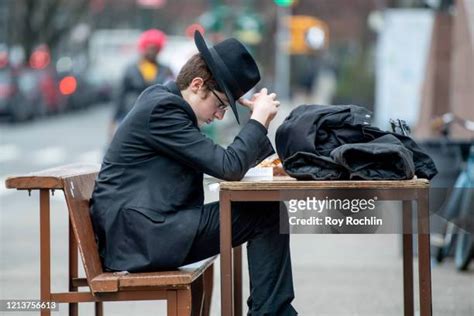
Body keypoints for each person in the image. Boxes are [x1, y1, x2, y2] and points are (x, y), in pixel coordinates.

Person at [90, 31, 297, 315]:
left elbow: (226, 162)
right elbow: (228, 166)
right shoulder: (164, 110)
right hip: (143, 238)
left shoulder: (166, 105)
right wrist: (258, 120)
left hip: (147, 230)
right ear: (198, 85)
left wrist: (258, 128)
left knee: (265, 211)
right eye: (221, 104)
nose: (220, 115)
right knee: (266, 214)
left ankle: (271, 311)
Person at [109, 28, 174, 138]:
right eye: (150, 48)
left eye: (156, 48)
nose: (153, 51)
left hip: (156, 118)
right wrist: (113, 121)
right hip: (131, 116)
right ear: (143, 47)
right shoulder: (131, 69)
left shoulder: (166, 70)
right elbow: (120, 95)